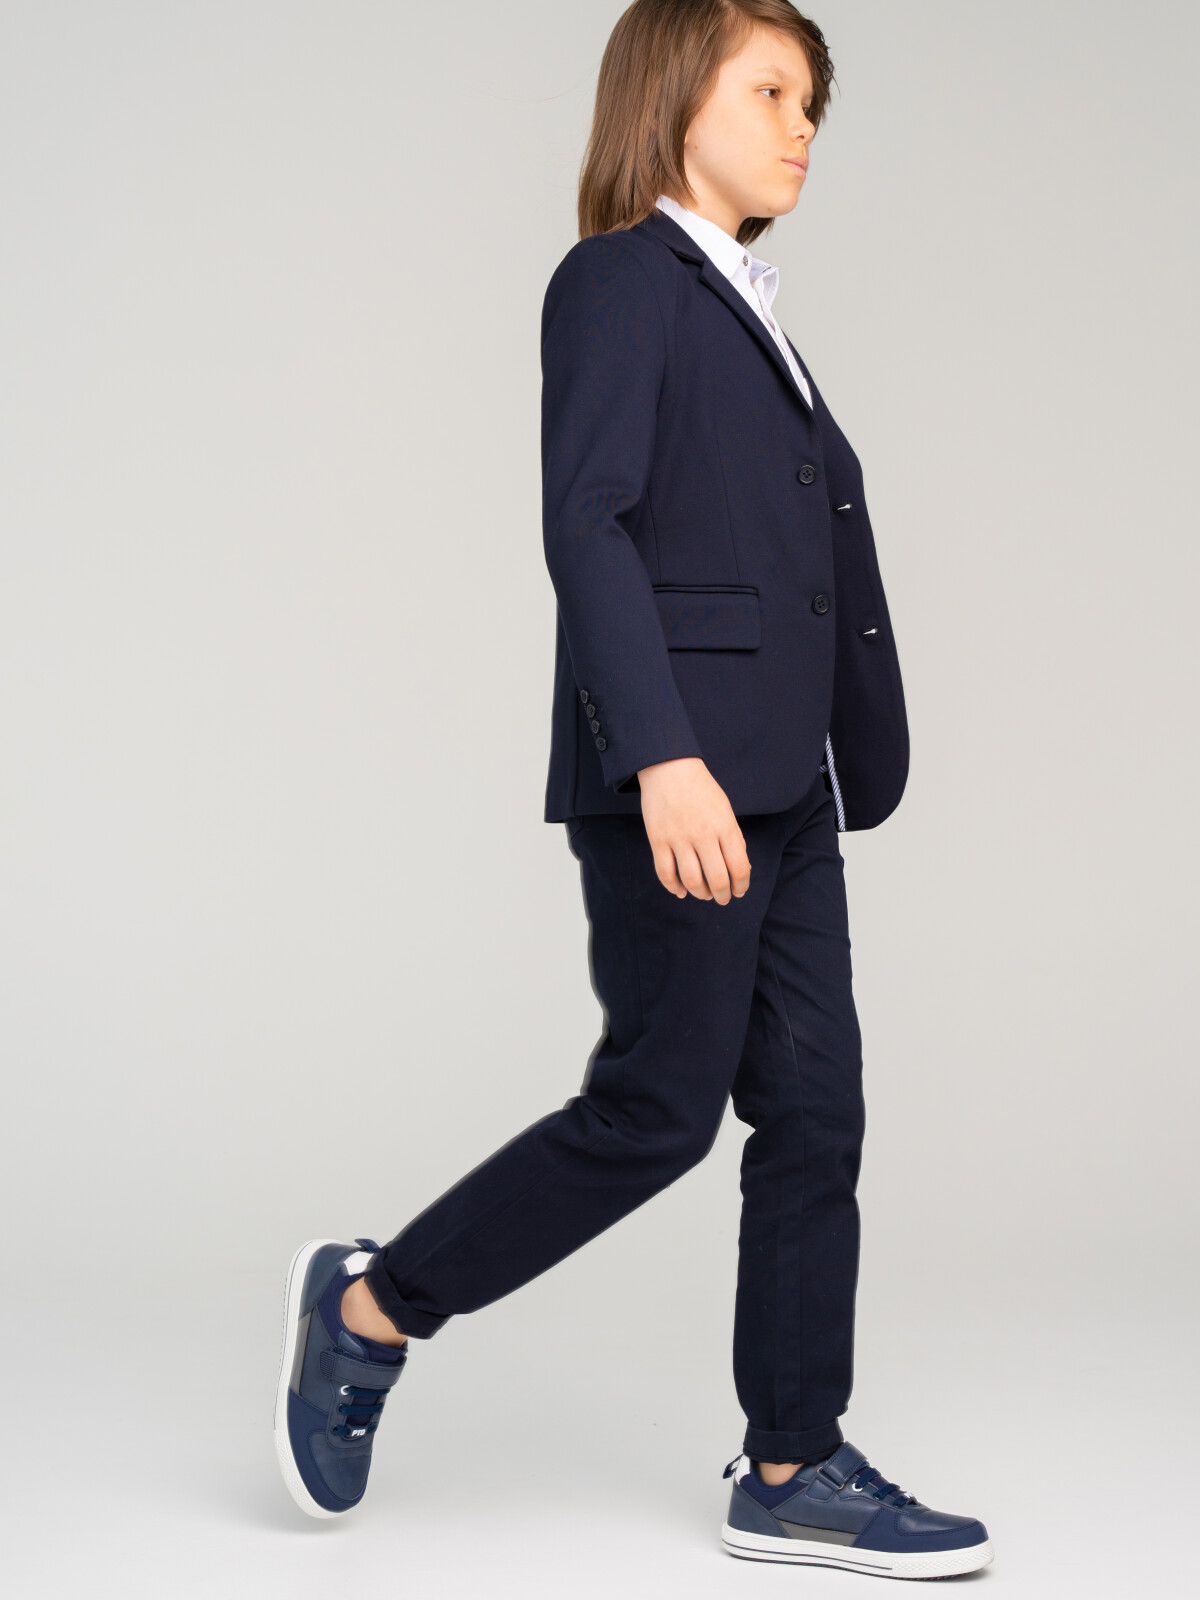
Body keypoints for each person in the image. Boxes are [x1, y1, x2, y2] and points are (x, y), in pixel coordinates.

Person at [273, 0, 993, 1578]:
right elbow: (588, 522)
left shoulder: (750, 308)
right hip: (685, 777)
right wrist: (661, 754)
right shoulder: (617, 280)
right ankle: (372, 1307)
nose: (804, 128)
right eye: (773, 91)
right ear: (674, 96)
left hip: (787, 785)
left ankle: (792, 1461)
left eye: (814, 103)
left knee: (818, 1110)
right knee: (657, 1113)